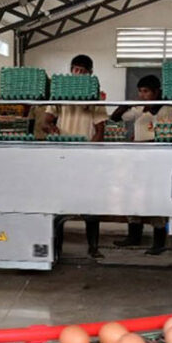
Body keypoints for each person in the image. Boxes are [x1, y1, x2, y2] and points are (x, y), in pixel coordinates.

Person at [42, 55, 109, 258]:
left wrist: (90, 153)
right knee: (59, 203)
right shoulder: (59, 95)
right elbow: (46, 121)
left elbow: (100, 130)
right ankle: (57, 248)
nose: (78, 74)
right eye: (75, 69)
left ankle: (93, 246)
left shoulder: (94, 98)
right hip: (62, 155)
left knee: (90, 203)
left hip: (86, 157)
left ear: (90, 73)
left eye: (82, 71)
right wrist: (52, 128)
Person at [110, 74, 172, 254]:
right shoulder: (139, 109)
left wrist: (147, 143)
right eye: (140, 92)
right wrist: (128, 104)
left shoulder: (167, 110)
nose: (142, 95)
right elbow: (116, 118)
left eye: (146, 91)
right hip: (137, 160)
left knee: (155, 198)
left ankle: (159, 242)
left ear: (157, 92)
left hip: (156, 161)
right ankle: (134, 235)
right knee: (133, 195)